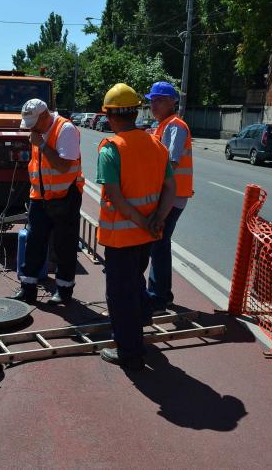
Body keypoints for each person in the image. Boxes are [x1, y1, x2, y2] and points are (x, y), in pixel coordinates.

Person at [96, 83, 176, 370]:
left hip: (121, 238)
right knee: (136, 282)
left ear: (110, 115)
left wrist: (144, 221)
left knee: (120, 295)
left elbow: (115, 198)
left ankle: (129, 351)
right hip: (147, 236)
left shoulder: (111, 149)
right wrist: (158, 220)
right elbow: (170, 188)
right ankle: (141, 321)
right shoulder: (157, 144)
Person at [10, 99, 84, 305]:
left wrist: (41, 144)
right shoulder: (38, 132)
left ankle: (64, 289)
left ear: (45, 116)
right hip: (40, 195)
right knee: (34, 242)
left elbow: (62, 166)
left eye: (34, 123)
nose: (31, 128)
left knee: (64, 245)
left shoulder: (65, 129)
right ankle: (28, 287)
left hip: (64, 196)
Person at [144, 81, 194, 312]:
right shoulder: (162, 125)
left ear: (171, 102)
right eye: (152, 100)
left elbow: (170, 163)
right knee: (159, 243)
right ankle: (160, 293)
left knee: (159, 243)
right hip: (168, 194)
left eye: (158, 100)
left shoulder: (175, 126)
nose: (153, 104)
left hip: (172, 196)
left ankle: (159, 296)